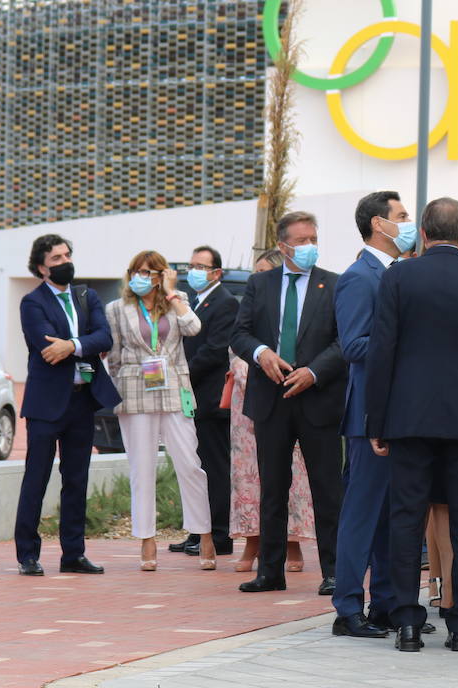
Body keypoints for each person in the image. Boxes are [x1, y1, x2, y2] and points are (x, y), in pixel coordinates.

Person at [366, 198, 458, 652]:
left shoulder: (398, 277)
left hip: (409, 420)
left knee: (407, 519)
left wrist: (377, 419)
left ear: (425, 235)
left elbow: (382, 351)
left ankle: (408, 623)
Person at [231, 211, 346, 595]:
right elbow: (240, 333)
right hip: (271, 397)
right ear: (282, 246)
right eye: (300, 240)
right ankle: (270, 571)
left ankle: (333, 571)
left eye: (313, 238)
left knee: (327, 489)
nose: (309, 246)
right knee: (273, 489)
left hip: (318, 397)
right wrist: (261, 353)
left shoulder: (333, 284)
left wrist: (314, 372)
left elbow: (345, 340)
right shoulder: (259, 284)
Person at [12, 234, 122, 577]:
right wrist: (80, 345)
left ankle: (73, 554)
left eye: (67, 255)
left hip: (81, 401)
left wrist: (72, 345)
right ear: (42, 267)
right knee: (37, 477)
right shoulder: (33, 303)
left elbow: (104, 338)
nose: (65, 261)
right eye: (57, 258)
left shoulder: (87, 296)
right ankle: (27, 555)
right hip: (46, 404)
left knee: (76, 478)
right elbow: (44, 345)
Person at [331, 190, 413, 638]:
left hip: (396, 416)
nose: (408, 221)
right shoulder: (359, 278)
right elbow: (354, 346)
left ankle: (384, 603)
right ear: (378, 225)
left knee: (390, 517)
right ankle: (347, 608)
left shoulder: (398, 274)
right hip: (367, 418)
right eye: (400, 215)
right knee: (362, 515)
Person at [105, 250, 216, 571]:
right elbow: (113, 356)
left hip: (174, 389)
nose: (141, 277)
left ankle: (203, 532)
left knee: (190, 464)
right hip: (135, 391)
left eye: (148, 272)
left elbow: (194, 327)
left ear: (161, 275)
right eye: (136, 271)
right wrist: (119, 390)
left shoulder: (177, 300)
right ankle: (146, 539)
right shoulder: (116, 309)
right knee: (142, 468)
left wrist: (171, 291)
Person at [228, 251, 314, 574]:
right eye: (256, 272)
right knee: (249, 477)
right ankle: (253, 540)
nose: (259, 278)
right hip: (247, 405)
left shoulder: (298, 304)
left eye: (266, 271)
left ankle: (292, 541)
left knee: (291, 477)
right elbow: (237, 339)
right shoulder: (250, 303)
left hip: (291, 394)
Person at [175, 245, 237, 558]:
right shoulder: (191, 302)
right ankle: (198, 531)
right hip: (191, 398)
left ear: (216, 272)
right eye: (191, 264)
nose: (194, 271)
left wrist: (180, 374)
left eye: (201, 266)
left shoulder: (224, 302)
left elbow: (214, 351)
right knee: (193, 466)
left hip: (210, 398)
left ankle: (220, 535)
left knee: (213, 467)